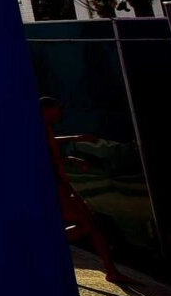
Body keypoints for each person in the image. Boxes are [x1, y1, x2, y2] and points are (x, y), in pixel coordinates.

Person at [41, 96, 123, 284]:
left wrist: (73, 150)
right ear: (47, 110)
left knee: (90, 223)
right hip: (57, 185)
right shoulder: (39, 128)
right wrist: (70, 157)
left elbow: (51, 146)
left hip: (59, 184)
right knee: (90, 224)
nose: (61, 112)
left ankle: (111, 270)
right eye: (57, 108)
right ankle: (111, 271)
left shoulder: (43, 129)